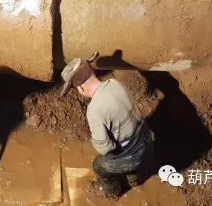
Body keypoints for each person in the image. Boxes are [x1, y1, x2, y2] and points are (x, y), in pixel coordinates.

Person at [60, 54, 153, 199]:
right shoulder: (115, 83)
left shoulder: (94, 109)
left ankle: (113, 193)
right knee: (133, 162)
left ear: (81, 88)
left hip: (131, 157)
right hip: (147, 141)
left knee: (99, 166)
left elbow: (104, 148)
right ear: (93, 72)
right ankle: (134, 180)